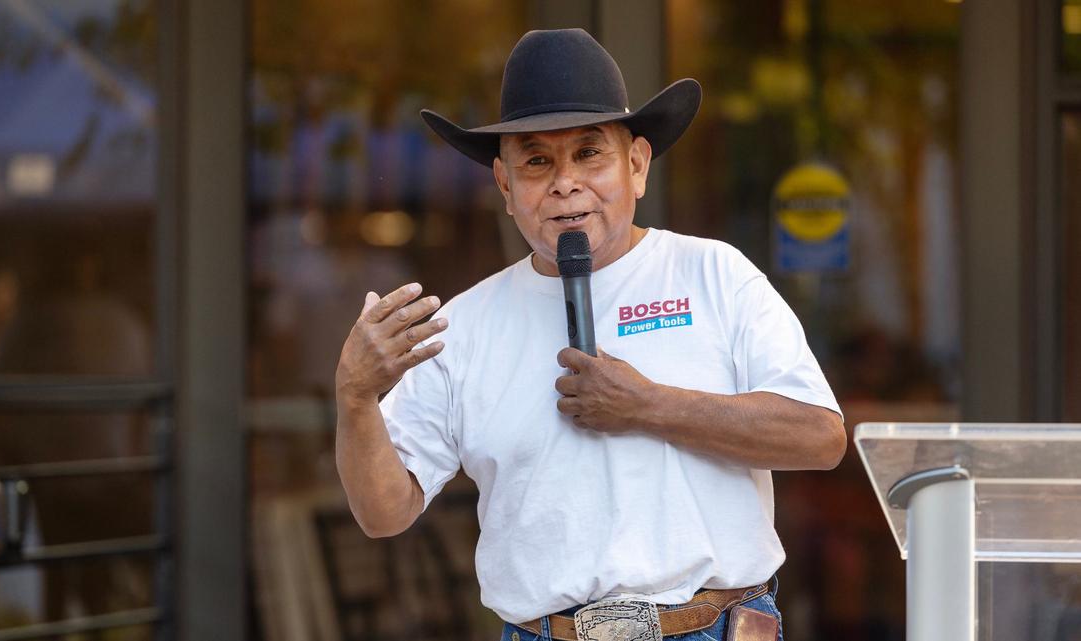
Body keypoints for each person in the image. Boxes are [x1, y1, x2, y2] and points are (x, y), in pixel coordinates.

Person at [335, 28, 845, 641]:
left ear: (636, 166)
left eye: (589, 154)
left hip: (715, 627)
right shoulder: (463, 326)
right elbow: (386, 511)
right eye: (537, 161)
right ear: (505, 186)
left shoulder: (715, 274)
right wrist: (356, 398)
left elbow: (820, 436)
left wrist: (650, 405)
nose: (565, 183)